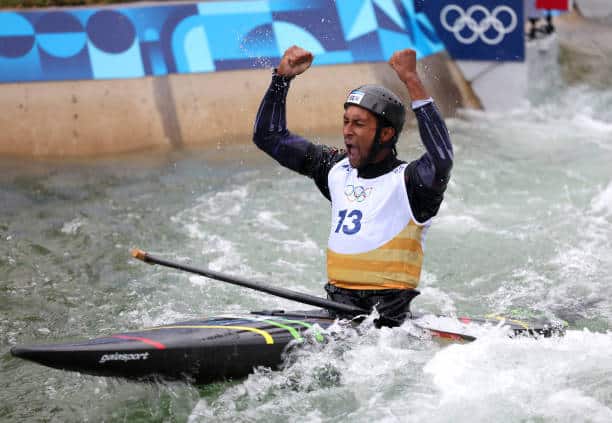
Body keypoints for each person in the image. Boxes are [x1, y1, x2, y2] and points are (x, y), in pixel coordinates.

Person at [253, 46, 453, 327]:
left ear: (386, 133)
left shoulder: (411, 183)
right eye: (346, 121)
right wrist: (281, 79)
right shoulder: (334, 169)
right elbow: (269, 137)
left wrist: (412, 80)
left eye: (358, 124)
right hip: (336, 313)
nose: (347, 131)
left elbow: (442, 158)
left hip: (388, 328)